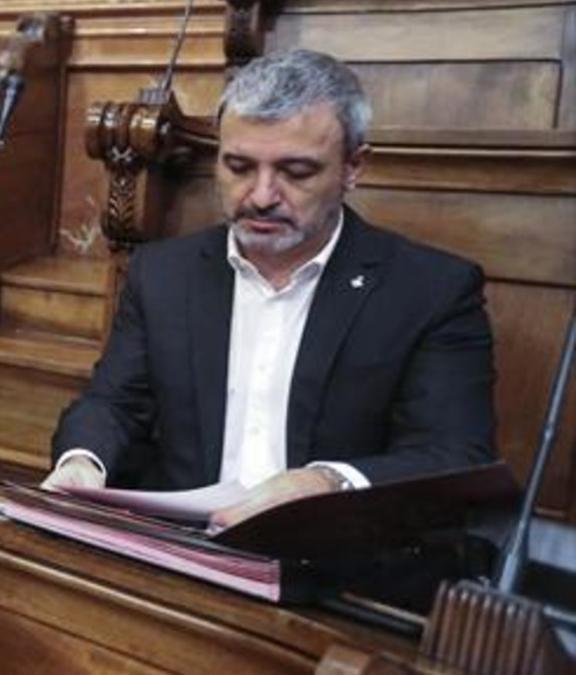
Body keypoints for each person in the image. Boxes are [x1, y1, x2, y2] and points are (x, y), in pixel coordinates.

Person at [42, 50, 496, 530]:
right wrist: (83, 462)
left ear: (353, 167)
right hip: (180, 554)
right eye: (238, 167)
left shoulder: (431, 290)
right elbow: (113, 403)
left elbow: (455, 455)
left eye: (296, 173)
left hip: (334, 564)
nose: (260, 195)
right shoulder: (163, 274)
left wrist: (328, 482)